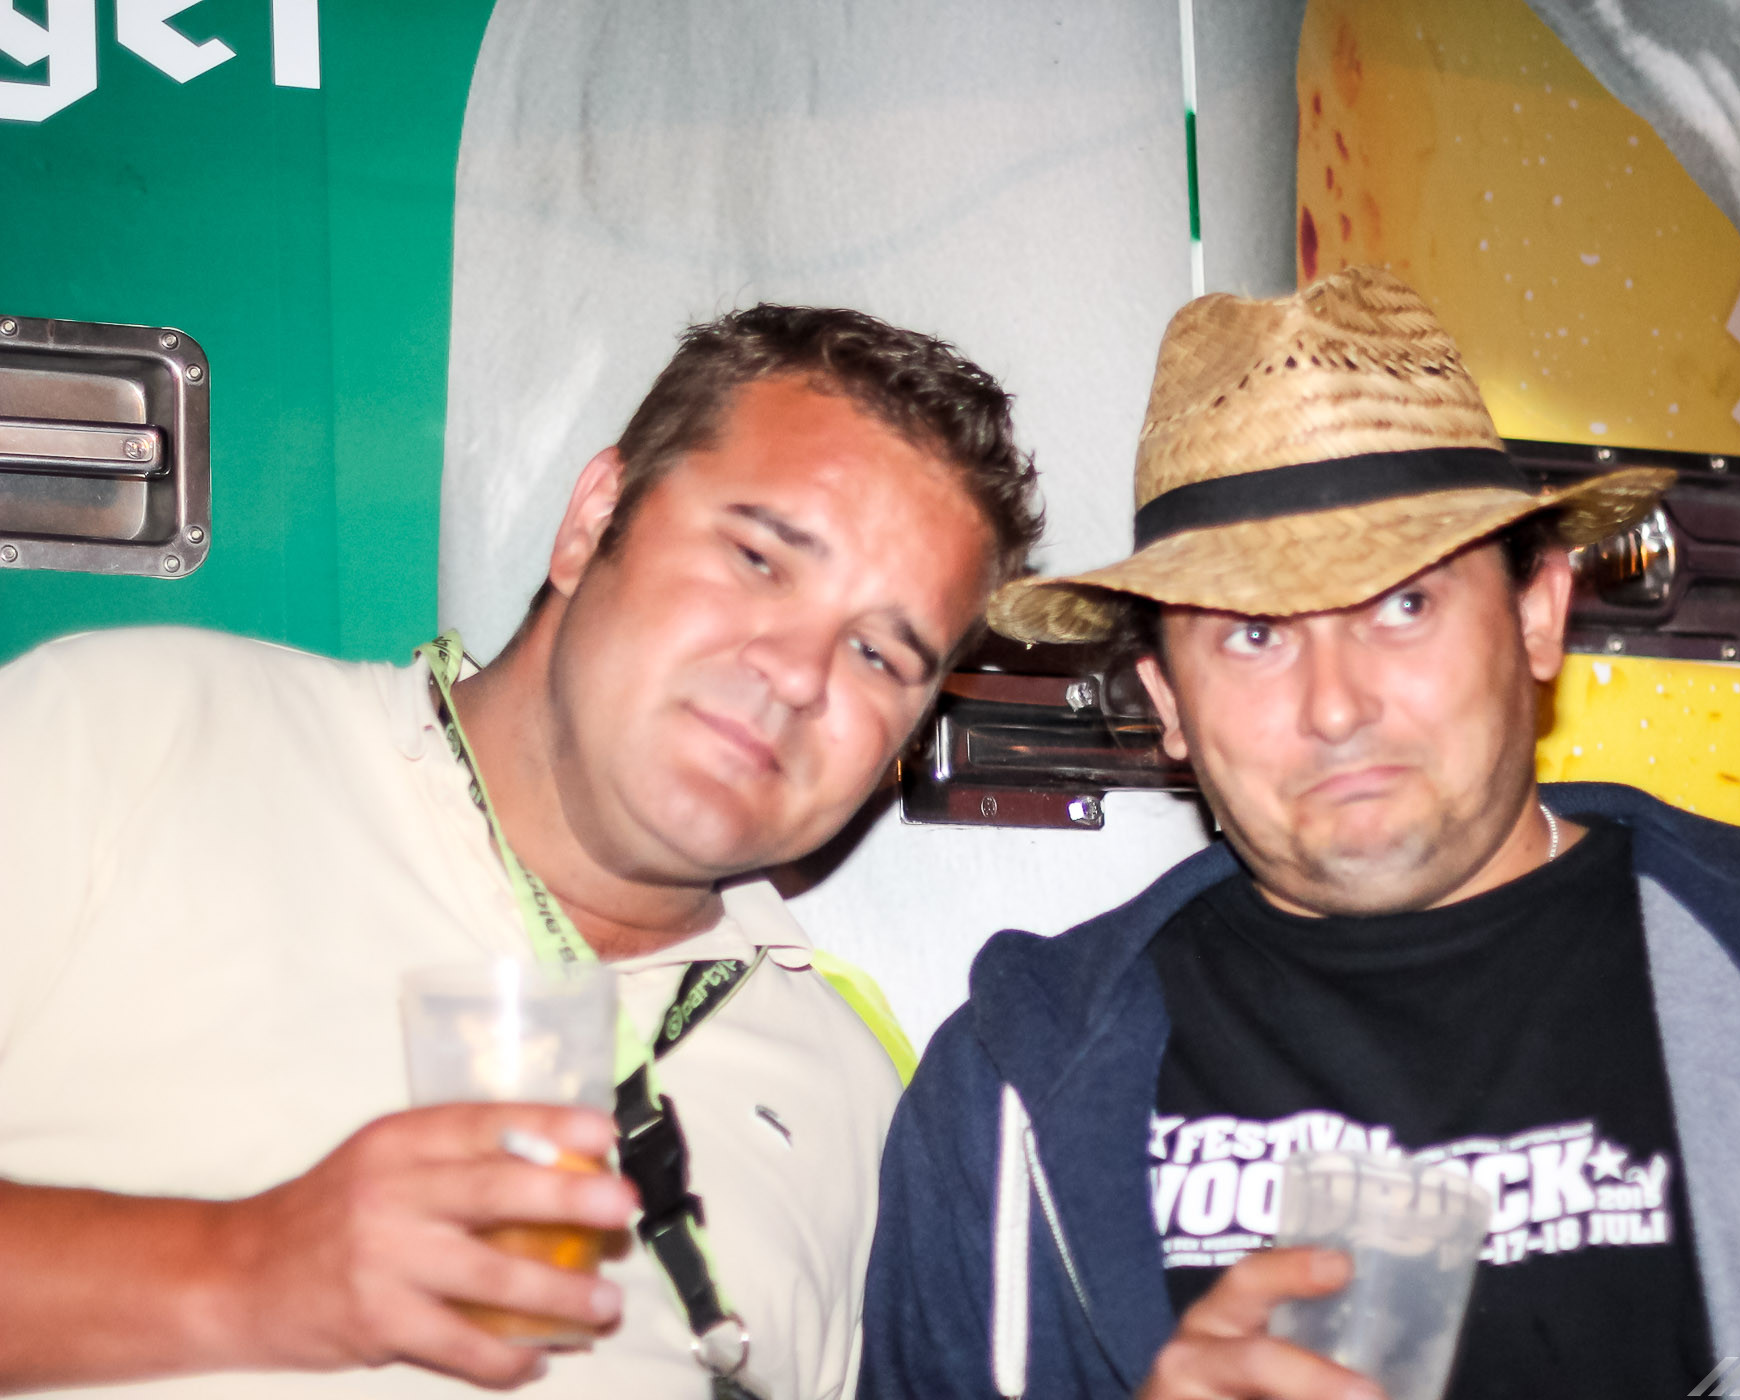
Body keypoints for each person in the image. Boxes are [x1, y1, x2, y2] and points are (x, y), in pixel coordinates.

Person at [858, 266, 1740, 1399]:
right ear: (1167, 701)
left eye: (1403, 602)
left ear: (1539, 614)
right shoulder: (1011, 1097)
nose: (1336, 704)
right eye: (1254, 631)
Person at [0, 303, 1041, 1399]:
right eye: (758, 558)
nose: (796, 671)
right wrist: (242, 1272)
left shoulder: (856, 1100)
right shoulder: (136, 732)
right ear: (595, 519)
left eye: (879, 653)